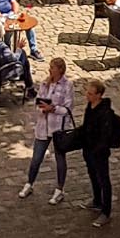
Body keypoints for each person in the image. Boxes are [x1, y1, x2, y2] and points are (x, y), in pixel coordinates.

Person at [19, 57, 75, 202]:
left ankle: (59, 189)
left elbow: (68, 109)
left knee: (60, 159)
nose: (50, 69)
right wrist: (42, 107)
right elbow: (38, 101)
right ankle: (29, 183)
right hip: (43, 126)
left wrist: (53, 108)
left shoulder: (68, 85)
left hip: (58, 128)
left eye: (53, 67)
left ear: (60, 70)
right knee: (36, 158)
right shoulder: (45, 83)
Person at [74, 78, 120, 221]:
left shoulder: (105, 113)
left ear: (99, 95)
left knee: (103, 179)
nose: (87, 96)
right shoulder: (90, 107)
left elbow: (105, 136)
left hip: (99, 152)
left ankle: (106, 212)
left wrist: (97, 149)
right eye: (87, 93)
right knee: (93, 176)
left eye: (90, 94)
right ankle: (96, 201)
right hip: (88, 149)